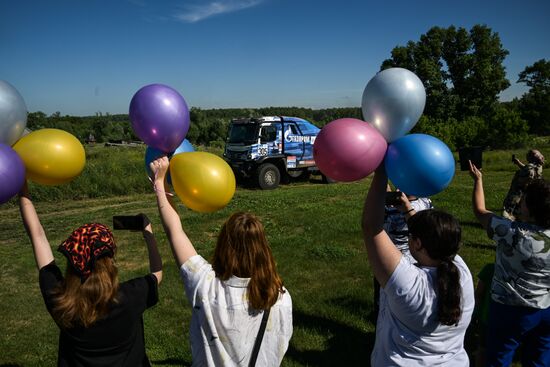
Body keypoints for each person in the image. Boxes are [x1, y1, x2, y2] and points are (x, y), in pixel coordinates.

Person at [150, 156, 292, 367]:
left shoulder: (205, 285)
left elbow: (175, 231)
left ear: (224, 245)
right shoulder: (280, 297)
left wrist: (160, 183)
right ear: (263, 250)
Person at [19, 182, 162, 366]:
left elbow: (37, 235)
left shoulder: (60, 301)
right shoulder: (131, 297)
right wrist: (148, 232)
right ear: (110, 261)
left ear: (72, 262)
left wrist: (22, 187)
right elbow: (157, 273)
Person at [362, 164, 474, 366]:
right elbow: (431, 234)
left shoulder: (408, 285)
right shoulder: (462, 272)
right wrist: (407, 209)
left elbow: (371, 227)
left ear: (418, 243)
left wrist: (381, 171)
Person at [469, 160, 550, 366]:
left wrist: (478, 180)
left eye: (523, 201)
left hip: (508, 310)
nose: (519, 202)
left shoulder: (510, 233)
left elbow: (480, 210)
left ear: (530, 210)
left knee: (499, 357)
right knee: (540, 360)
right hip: (545, 310)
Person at [372, 187, 433, 321]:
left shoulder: (422, 204)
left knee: (394, 297)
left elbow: (423, 230)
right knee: (386, 295)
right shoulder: (423, 202)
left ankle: (388, 318)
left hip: (400, 260)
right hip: (391, 256)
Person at [502, 149, 544, 220]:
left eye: (529, 154)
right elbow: (528, 169)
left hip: (517, 195)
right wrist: (518, 163)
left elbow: (527, 173)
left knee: (509, 212)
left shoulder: (529, 169)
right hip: (528, 195)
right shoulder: (538, 166)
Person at [472, 262, 494, 367]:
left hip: (487, 318)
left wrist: (475, 313)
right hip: (507, 319)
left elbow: (479, 293)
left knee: (482, 348)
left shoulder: (490, 268)